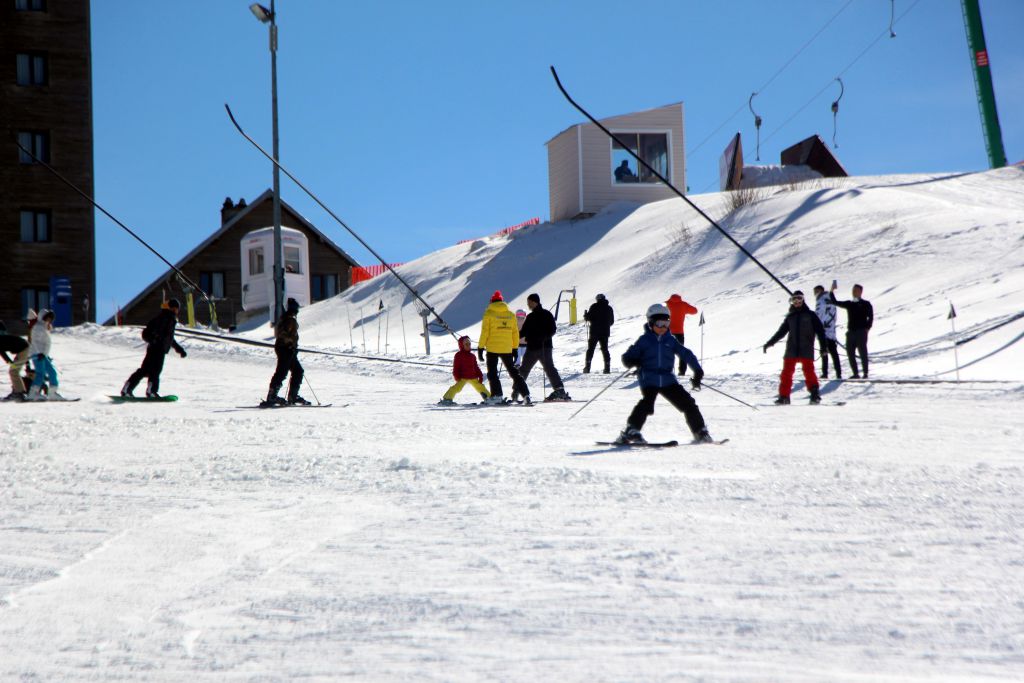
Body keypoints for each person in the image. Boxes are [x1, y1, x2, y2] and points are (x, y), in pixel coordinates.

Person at [616, 303, 714, 445]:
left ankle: (700, 431)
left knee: (688, 404)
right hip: (649, 379)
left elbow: (686, 354)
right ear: (650, 323)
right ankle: (631, 431)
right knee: (647, 404)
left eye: (666, 323)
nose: (663, 327)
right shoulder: (644, 341)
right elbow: (629, 356)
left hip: (668, 380)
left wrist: (698, 370)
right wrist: (631, 359)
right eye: (659, 323)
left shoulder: (670, 340)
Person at [763, 290, 827, 404]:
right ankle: (784, 397)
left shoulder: (811, 315)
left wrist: (823, 347)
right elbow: (781, 332)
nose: (797, 301)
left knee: (809, 372)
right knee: (786, 373)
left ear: (803, 300)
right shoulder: (790, 317)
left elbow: (820, 331)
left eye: (799, 299)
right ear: (791, 302)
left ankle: (814, 394)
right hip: (791, 349)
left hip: (806, 348)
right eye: (794, 299)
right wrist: (770, 342)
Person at [121, 299, 187, 398]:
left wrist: (180, 350)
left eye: (177, 309)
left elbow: (169, 339)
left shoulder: (169, 319)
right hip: (156, 349)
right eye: (175, 308)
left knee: (149, 371)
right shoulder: (164, 318)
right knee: (151, 371)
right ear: (172, 308)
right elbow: (148, 333)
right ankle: (146, 391)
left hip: (159, 349)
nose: (177, 311)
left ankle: (137, 389)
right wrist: (154, 339)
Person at [478, 290, 531, 404]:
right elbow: (515, 333)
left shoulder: (489, 313)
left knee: (492, 373)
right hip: (507, 348)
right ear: (502, 301)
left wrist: (481, 347)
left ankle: (497, 395)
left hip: (492, 348)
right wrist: (515, 348)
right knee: (514, 373)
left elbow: (485, 332)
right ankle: (526, 395)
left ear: (492, 301)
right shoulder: (511, 315)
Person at [516, 293, 570, 401]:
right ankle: (516, 391)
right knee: (525, 369)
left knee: (547, 368)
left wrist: (544, 337)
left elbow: (553, 329)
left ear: (534, 302)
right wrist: (512, 338)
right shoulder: (531, 317)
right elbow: (524, 332)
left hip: (544, 347)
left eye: (529, 302)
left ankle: (559, 390)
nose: (528, 304)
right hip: (533, 347)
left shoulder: (546, 314)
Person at [263, 297, 309, 406]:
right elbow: (283, 334)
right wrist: (289, 344)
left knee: (298, 371)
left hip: (288, 350)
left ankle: (292, 396)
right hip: (285, 350)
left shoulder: (287, 318)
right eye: (296, 308)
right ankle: (272, 396)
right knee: (282, 372)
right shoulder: (288, 319)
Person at [830, 282, 874, 378]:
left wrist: (867, 328)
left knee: (863, 352)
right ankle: (855, 373)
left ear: (860, 292)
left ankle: (865, 373)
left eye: (856, 290)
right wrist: (831, 291)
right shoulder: (850, 304)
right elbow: (835, 302)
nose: (854, 292)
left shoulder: (866, 304)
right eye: (853, 290)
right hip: (851, 332)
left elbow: (870, 317)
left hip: (861, 332)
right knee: (850, 353)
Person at [25, 310, 66, 401]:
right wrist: (39, 353)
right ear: (42, 317)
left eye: (50, 318)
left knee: (52, 372)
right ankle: (33, 393)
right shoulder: (38, 327)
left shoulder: (43, 327)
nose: (49, 320)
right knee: (40, 373)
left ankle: (52, 393)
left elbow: (46, 343)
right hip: (38, 354)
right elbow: (35, 342)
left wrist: (44, 354)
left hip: (42, 354)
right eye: (48, 317)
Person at [439, 336, 490, 405]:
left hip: (473, 376)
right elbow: (456, 368)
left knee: (480, 387)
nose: (468, 346)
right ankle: (447, 398)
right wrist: (457, 376)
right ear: (462, 345)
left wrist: (480, 375)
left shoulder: (472, 356)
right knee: (457, 388)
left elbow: (476, 367)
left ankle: (489, 398)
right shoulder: (458, 355)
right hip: (463, 377)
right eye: (466, 344)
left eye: (469, 344)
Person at [665, 294, 699, 375]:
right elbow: (695, 311)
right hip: (679, 333)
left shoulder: (666, 304)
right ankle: (682, 372)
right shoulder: (683, 305)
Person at [813, 285, 841, 379]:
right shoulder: (831, 299)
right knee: (834, 353)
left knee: (824, 352)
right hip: (831, 331)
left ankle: (825, 373)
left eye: (816, 291)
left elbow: (817, 316)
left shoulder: (820, 301)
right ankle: (838, 373)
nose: (815, 294)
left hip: (823, 331)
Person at [583, 293, 614, 373]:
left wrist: (586, 316)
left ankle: (587, 367)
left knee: (591, 349)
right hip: (605, 332)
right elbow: (611, 321)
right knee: (605, 350)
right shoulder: (609, 308)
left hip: (594, 332)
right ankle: (607, 368)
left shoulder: (594, 306)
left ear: (597, 299)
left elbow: (589, 317)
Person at [1, 330, 30, 401]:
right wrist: (10, 363)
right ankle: (18, 391)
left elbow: (2, 352)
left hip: (24, 350)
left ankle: (19, 393)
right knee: (13, 371)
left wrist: (9, 362)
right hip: (23, 349)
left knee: (14, 371)